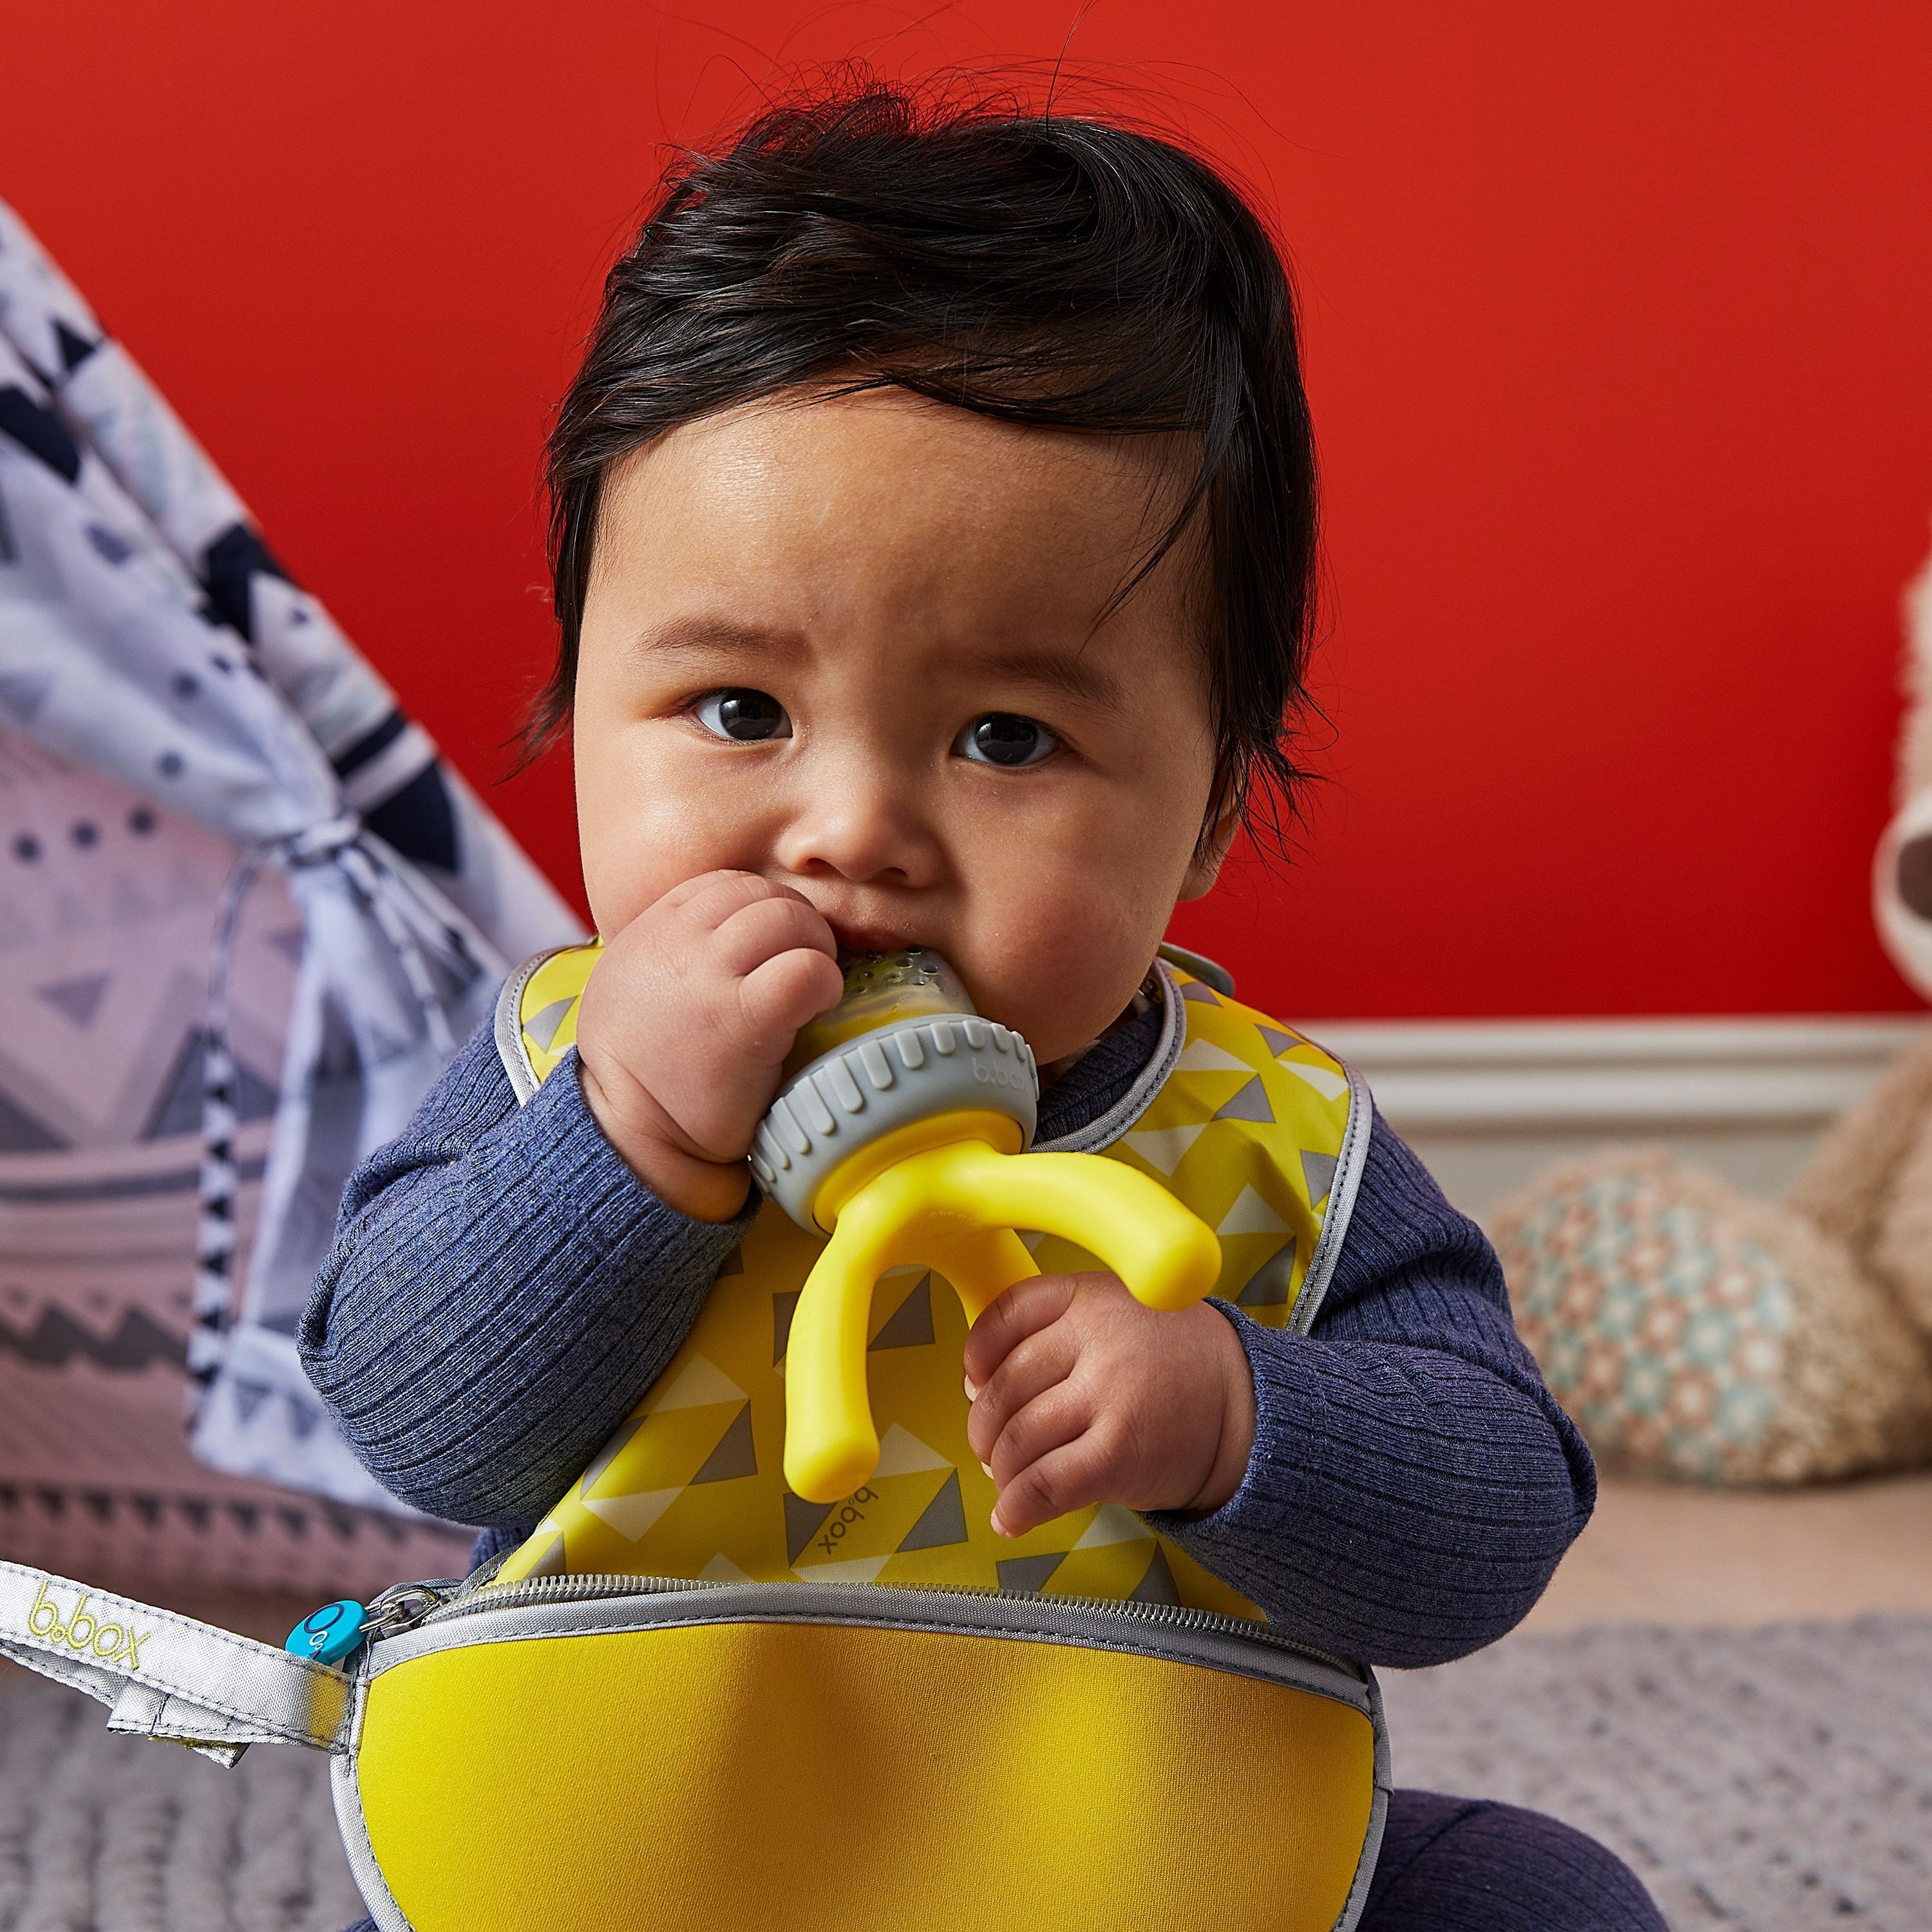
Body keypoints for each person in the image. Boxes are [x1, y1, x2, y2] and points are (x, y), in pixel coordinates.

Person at [301, 78, 1666, 1932]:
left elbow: (1492, 1529)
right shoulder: (568, 1063)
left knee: (1534, 1896)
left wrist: (1237, 1416)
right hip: (634, 1846)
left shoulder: (1261, 1140)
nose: (851, 831)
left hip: (1127, 1853)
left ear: (1212, 807)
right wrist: (625, 1144)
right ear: (574, 700)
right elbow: (412, 1420)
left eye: (1006, 738)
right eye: (739, 712)